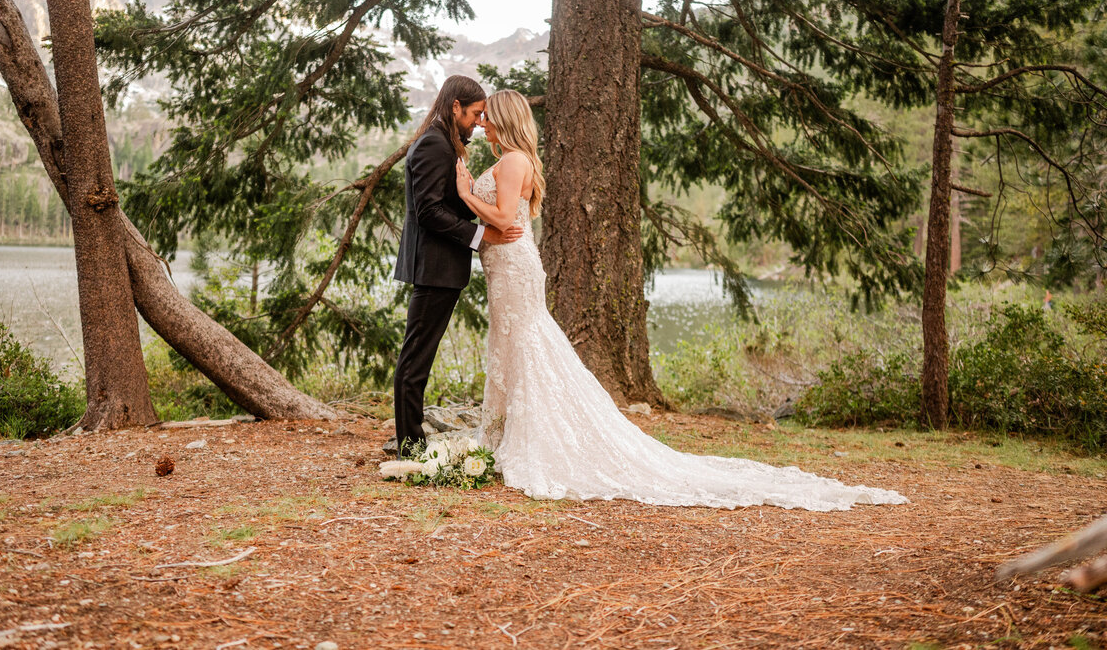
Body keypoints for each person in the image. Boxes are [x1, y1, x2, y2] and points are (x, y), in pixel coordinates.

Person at [453, 89, 908, 511]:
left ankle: (528, 441)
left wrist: (465, 193)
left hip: (514, 267)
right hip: (505, 267)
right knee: (512, 348)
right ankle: (501, 436)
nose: (484, 125)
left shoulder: (513, 161)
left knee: (526, 347)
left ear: (507, 120)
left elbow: (504, 217)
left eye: (489, 118)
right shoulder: (513, 159)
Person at [389, 75, 522, 457]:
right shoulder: (434, 144)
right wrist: (481, 237)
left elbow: (444, 204)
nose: (479, 123)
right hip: (434, 268)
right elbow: (430, 211)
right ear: (455, 107)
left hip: (439, 268)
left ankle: (411, 443)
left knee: (417, 358)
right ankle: (410, 449)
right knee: (415, 361)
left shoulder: (443, 142)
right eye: (476, 114)